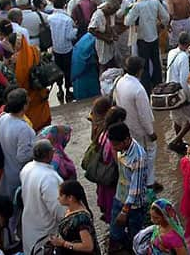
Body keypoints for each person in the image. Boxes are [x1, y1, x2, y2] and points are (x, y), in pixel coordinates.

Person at [113, 56, 159, 185]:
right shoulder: (138, 89)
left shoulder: (120, 82)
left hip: (127, 128)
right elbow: (144, 115)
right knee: (149, 154)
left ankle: (138, 181)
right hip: (140, 130)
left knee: (133, 156)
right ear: (140, 71)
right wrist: (151, 132)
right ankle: (149, 183)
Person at [107, 122, 151, 250]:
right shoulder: (122, 149)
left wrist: (125, 211)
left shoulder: (138, 157)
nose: (114, 148)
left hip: (134, 205)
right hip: (119, 197)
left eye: (116, 145)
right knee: (115, 234)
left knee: (135, 237)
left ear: (126, 139)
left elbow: (135, 189)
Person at [20, 139, 66, 255]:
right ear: (49, 154)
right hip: (45, 231)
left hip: (29, 226)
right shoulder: (49, 178)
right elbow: (59, 211)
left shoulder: (27, 168)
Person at [124, 0, 170, 90]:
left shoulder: (137, 6)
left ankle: (146, 88)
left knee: (144, 65)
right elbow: (166, 17)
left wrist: (128, 13)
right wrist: (161, 26)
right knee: (156, 63)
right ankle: (158, 85)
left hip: (142, 38)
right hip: (154, 36)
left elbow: (127, 21)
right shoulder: (155, 2)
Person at [0, 89, 37, 198]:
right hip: (20, 175)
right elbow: (22, 157)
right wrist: (37, 150)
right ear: (24, 106)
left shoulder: (2, 119)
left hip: (7, 171)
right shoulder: (24, 129)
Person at [48, 179, 100, 255]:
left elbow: (88, 246)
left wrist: (63, 243)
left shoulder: (81, 219)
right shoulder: (71, 211)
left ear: (70, 198)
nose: (58, 198)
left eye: (61, 195)